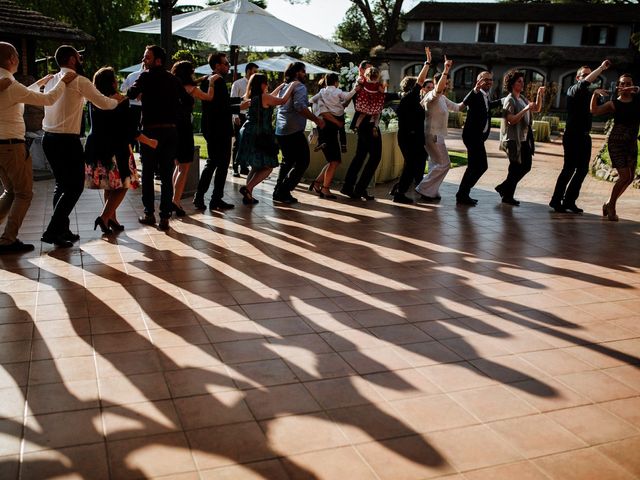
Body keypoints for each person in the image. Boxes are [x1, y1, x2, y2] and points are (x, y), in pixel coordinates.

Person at [41, 45, 121, 248]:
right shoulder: (79, 80)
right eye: (79, 57)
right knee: (75, 186)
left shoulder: (51, 79)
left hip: (48, 139)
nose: (81, 60)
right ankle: (52, 230)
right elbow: (103, 103)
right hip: (66, 141)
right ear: (71, 60)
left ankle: (62, 230)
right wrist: (117, 99)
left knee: (61, 185)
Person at [0, 42, 75, 254]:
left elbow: (17, 95)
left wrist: (40, 82)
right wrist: (63, 81)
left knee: (10, 192)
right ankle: (7, 240)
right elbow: (48, 100)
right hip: (12, 147)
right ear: (13, 59)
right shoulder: (10, 84)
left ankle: (6, 238)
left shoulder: (6, 82)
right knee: (24, 194)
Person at [85, 67, 157, 234]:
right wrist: (150, 142)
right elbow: (130, 130)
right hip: (115, 149)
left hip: (96, 147)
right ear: (112, 82)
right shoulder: (120, 101)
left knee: (109, 186)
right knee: (124, 184)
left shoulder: (93, 100)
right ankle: (104, 217)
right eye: (115, 79)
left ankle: (112, 218)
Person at [127, 45, 189, 231]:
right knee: (166, 173)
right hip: (171, 131)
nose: (144, 61)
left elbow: (131, 93)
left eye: (147, 57)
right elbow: (188, 101)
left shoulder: (145, 76)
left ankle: (148, 213)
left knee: (147, 173)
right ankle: (164, 217)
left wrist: (141, 93)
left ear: (158, 60)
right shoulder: (173, 79)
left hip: (150, 131)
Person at [549, 60, 611, 213]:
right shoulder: (573, 89)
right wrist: (602, 68)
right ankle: (556, 200)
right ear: (578, 78)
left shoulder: (590, 94)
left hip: (585, 136)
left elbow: (595, 110)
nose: (589, 77)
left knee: (582, 170)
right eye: (584, 75)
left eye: (590, 75)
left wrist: (595, 95)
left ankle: (569, 201)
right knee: (569, 169)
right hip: (572, 136)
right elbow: (585, 83)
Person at [236, 74, 299, 205]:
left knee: (255, 167)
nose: (267, 85)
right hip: (261, 134)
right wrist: (292, 86)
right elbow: (281, 100)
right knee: (269, 166)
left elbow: (271, 97)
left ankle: (248, 195)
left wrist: (280, 87)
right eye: (266, 83)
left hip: (248, 131)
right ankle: (247, 189)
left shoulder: (251, 96)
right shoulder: (265, 97)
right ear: (262, 84)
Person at [193, 52, 243, 211]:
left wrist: (240, 100)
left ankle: (209, 198)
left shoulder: (208, 80)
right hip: (220, 129)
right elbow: (221, 107)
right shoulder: (218, 81)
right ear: (217, 66)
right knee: (217, 164)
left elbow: (219, 102)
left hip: (210, 127)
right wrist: (240, 107)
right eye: (226, 63)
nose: (228, 66)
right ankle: (208, 198)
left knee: (215, 163)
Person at [170, 61, 217, 217]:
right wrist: (211, 83)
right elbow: (209, 97)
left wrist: (201, 79)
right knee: (185, 167)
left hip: (172, 128)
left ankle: (173, 198)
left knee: (177, 166)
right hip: (184, 128)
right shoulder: (191, 89)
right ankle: (176, 201)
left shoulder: (172, 86)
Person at [273, 61, 325, 204]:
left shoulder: (284, 86)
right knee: (303, 161)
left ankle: (278, 191)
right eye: (303, 71)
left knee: (287, 161)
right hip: (293, 130)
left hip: (280, 129)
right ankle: (283, 190)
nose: (305, 74)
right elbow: (299, 107)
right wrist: (316, 119)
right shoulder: (300, 86)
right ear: (297, 73)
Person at [590, 74, 640, 221]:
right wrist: (594, 95)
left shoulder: (637, 100)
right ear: (618, 86)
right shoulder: (614, 104)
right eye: (623, 84)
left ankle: (608, 203)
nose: (625, 86)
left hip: (631, 143)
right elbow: (594, 111)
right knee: (624, 176)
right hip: (616, 143)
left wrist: (636, 89)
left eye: (628, 83)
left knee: (630, 178)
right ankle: (611, 206)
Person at [415, 56, 465, 202]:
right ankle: (423, 188)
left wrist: (475, 91)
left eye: (448, 83)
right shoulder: (433, 95)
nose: (448, 85)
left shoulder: (442, 98)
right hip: (433, 135)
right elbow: (437, 89)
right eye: (446, 83)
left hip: (437, 135)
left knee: (435, 164)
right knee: (445, 164)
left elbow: (458, 107)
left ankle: (431, 191)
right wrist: (446, 69)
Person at [495, 70, 545, 206]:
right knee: (516, 168)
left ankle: (504, 188)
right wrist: (525, 110)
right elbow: (511, 120)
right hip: (512, 140)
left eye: (523, 81)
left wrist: (539, 95)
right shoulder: (509, 100)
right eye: (519, 81)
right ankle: (507, 195)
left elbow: (536, 108)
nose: (522, 84)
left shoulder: (521, 98)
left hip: (523, 139)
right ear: (512, 84)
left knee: (525, 167)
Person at [456, 70, 503, 206]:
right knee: (480, 166)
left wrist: (502, 100)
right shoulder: (476, 94)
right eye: (485, 79)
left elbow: (488, 107)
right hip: (472, 136)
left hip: (479, 137)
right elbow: (465, 101)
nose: (489, 82)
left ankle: (463, 194)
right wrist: (475, 89)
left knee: (475, 166)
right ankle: (462, 194)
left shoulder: (485, 95)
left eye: (490, 80)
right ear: (479, 81)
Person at [392, 47, 432, 204]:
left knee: (415, 163)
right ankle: (399, 192)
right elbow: (421, 80)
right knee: (411, 165)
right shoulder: (410, 98)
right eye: (418, 86)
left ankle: (402, 189)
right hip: (409, 137)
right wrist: (427, 63)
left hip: (411, 136)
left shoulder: (411, 100)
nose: (421, 87)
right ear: (413, 87)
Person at [308, 73, 357, 199]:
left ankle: (317, 182)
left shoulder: (322, 93)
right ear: (336, 82)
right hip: (327, 132)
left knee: (333, 161)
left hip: (330, 132)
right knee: (334, 161)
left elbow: (310, 100)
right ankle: (325, 189)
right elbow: (346, 96)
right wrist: (355, 89)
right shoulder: (336, 92)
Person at [231, 62, 259, 177]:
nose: (256, 74)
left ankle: (244, 167)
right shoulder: (238, 83)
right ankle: (235, 167)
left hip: (251, 116)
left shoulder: (256, 85)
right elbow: (232, 99)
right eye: (254, 71)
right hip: (240, 115)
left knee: (248, 142)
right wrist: (235, 116)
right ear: (248, 71)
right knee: (238, 142)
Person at [353, 66, 386, 133]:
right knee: (377, 115)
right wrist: (384, 86)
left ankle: (356, 126)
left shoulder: (365, 81)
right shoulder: (377, 84)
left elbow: (359, 81)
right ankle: (375, 127)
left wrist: (359, 80)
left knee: (362, 115)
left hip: (365, 102)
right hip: (374, 102)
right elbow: (382, 91)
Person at [120, 63, 144, 152]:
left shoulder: (131, 75)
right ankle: (141, 150)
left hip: (132, 106)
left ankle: (130, 151)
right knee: (143, 130)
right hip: (144, 107)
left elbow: (122, 89)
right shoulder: (151, 77)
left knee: (132, 129)